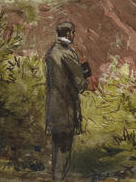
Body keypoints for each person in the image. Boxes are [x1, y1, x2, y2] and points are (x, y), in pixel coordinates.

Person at [45, 21, 89, 181]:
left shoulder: (51, 52)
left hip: (53, 108)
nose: (74, 35)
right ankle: (59, 179)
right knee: (65, 148)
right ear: (69, 33)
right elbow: (80, 85)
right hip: (66, 108)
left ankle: (56, 178)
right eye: (74, 32)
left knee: (56, 147)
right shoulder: (68, 53)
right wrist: (85, 78)